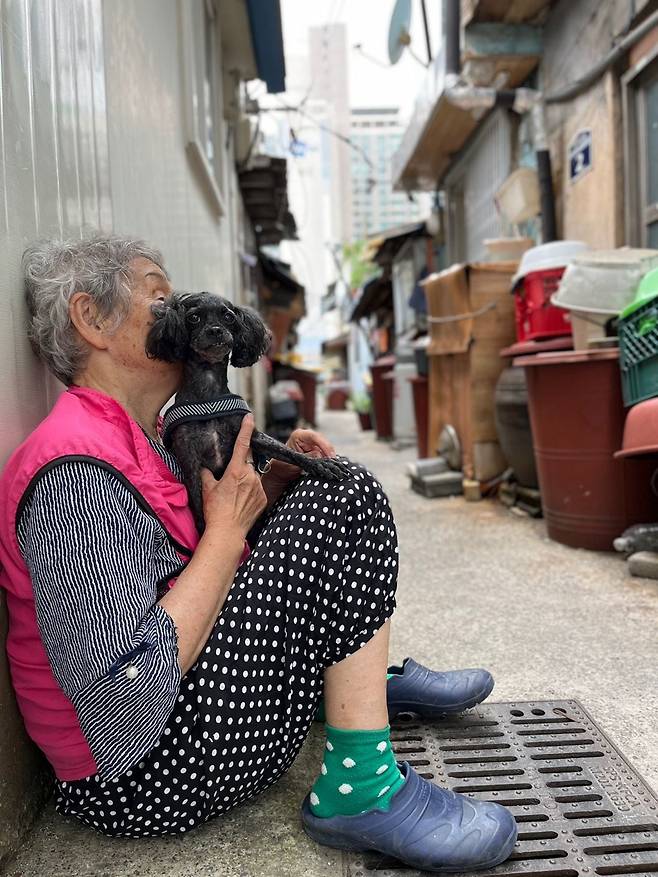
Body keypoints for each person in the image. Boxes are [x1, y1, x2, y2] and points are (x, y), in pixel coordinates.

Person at [0, 236, 517, 872]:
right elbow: (120, 710)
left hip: (182, 725)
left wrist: (261, 498)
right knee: (345, 497)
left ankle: (353, 687)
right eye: (161, 298)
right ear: (91, 320)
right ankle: (361, 786)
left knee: (325, 486)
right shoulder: (71, 467)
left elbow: (185, 573)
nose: (182, 310)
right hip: (138, 778)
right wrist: (225, 532)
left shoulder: (142, 440)